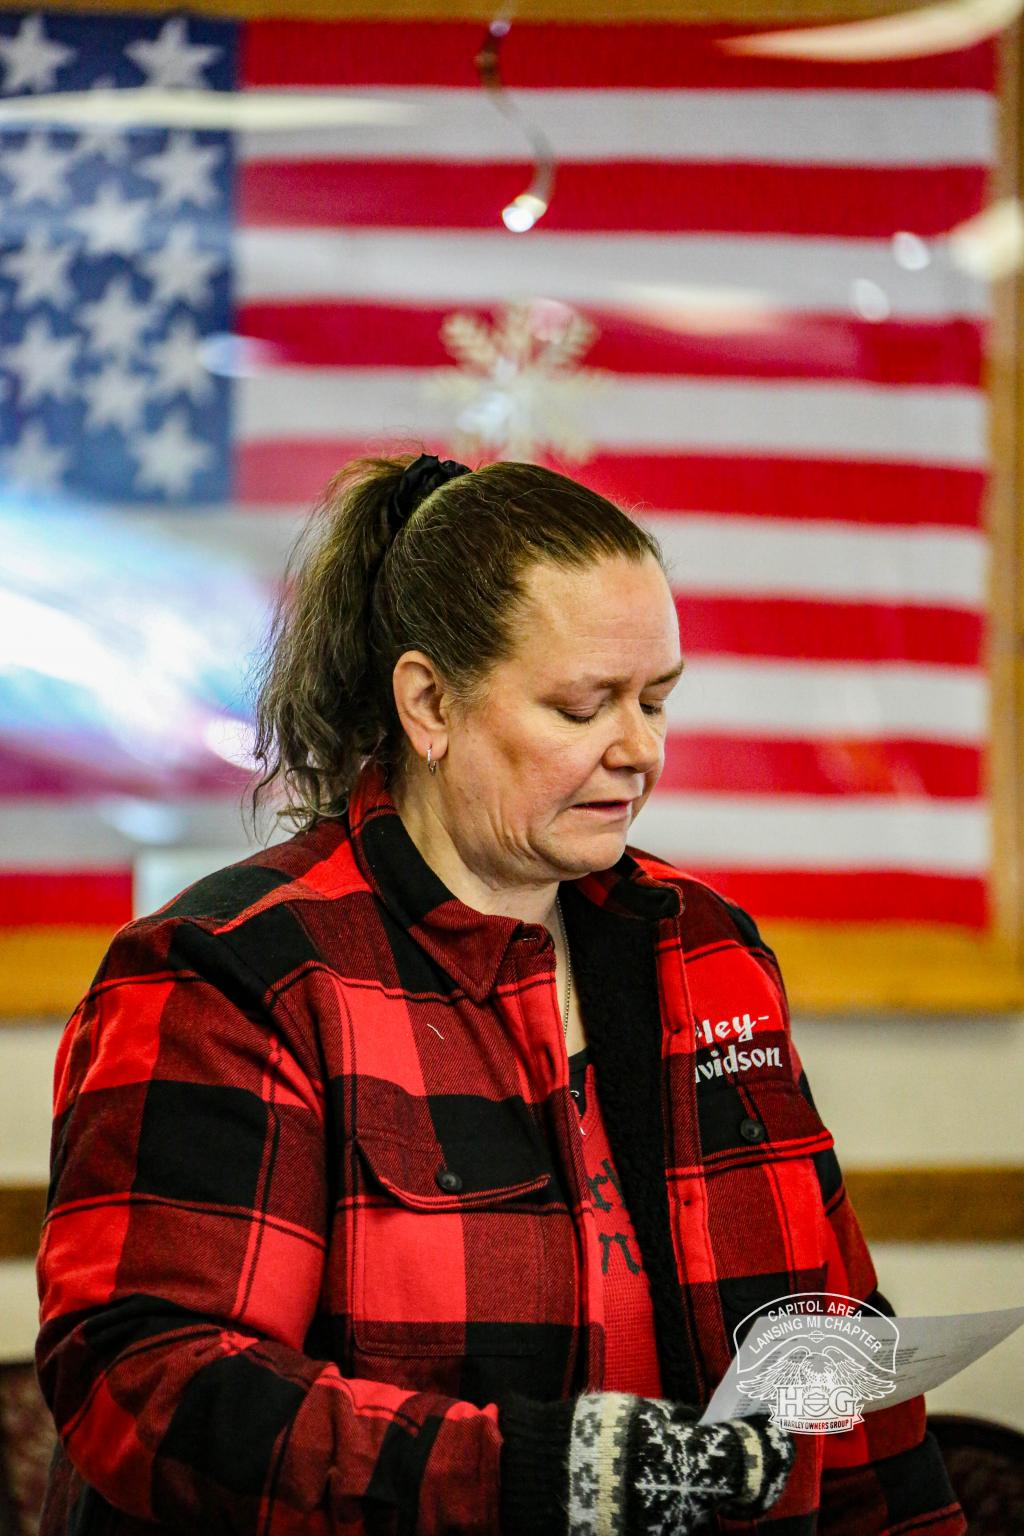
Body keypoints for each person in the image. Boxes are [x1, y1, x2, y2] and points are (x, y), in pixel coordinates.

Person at [34, 452, 964, 1536]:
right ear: (429, 704)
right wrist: (534, 1473)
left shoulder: (707, 951)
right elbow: (152, 1387)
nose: (640, 749)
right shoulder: (232, 970)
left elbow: (839, 1361)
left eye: (657, 700)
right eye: (582, 708)